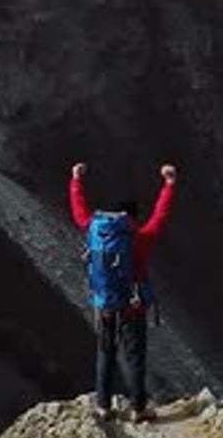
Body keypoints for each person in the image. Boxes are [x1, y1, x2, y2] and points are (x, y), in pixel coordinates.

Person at [69, 161, 177, 423]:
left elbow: (79, 213)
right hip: (133, 304)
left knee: (105, 352)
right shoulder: (140, 238)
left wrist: (76, 181)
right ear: (132, 218)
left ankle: (103, 406)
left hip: (105, 302)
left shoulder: (96, 230)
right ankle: (138, 408)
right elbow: (161, 216)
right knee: (134, 356)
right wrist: (169, 185)